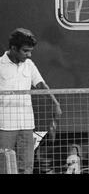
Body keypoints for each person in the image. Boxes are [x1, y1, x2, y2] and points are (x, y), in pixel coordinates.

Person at [0, 28, 62, 174]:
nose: (29, 55)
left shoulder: (29, 64)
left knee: (27, 165)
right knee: (3, 164)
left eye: (30, 51)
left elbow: (41, 84)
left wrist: (55, 103)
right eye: (25, 51)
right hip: (5, 124)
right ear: (14, 48)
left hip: (27, 123)